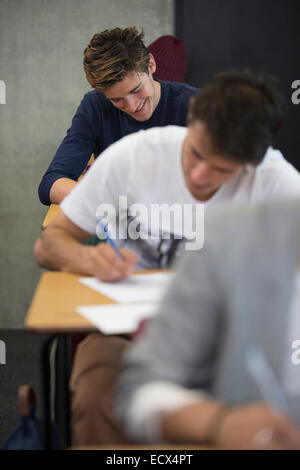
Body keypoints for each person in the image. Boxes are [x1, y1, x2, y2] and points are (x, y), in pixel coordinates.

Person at [34, 69, 300, 445]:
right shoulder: (133, 157)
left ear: (251, 163)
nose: (199, 175)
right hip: (127, 331)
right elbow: (49, 245)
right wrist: (87, 259)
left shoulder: (275, 181)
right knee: (97, 394)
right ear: (190, 123)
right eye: (195, 153)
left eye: (221, 169)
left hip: (224, 337)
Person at [116, 198, 300, 450]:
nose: (201, 175)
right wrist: (220, 424)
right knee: (95, 374)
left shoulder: (277, 178)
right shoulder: (229, 238)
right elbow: (144, 390)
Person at [38, 26, 197, 205]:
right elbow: (51, 183)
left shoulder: (194, 105)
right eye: (116, 100)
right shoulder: (96, 106)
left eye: (136, 90)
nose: (132, 106)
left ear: (150, 65)